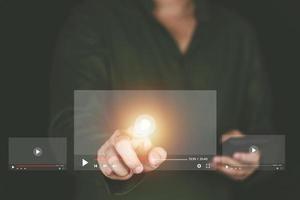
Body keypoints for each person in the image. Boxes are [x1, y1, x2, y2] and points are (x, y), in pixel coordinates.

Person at [50, 0, 272, 199]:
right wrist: (107, 153)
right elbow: (71, 125)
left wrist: (251, 156)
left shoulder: (238, 32)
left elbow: (264, 138)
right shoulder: (94, 20)